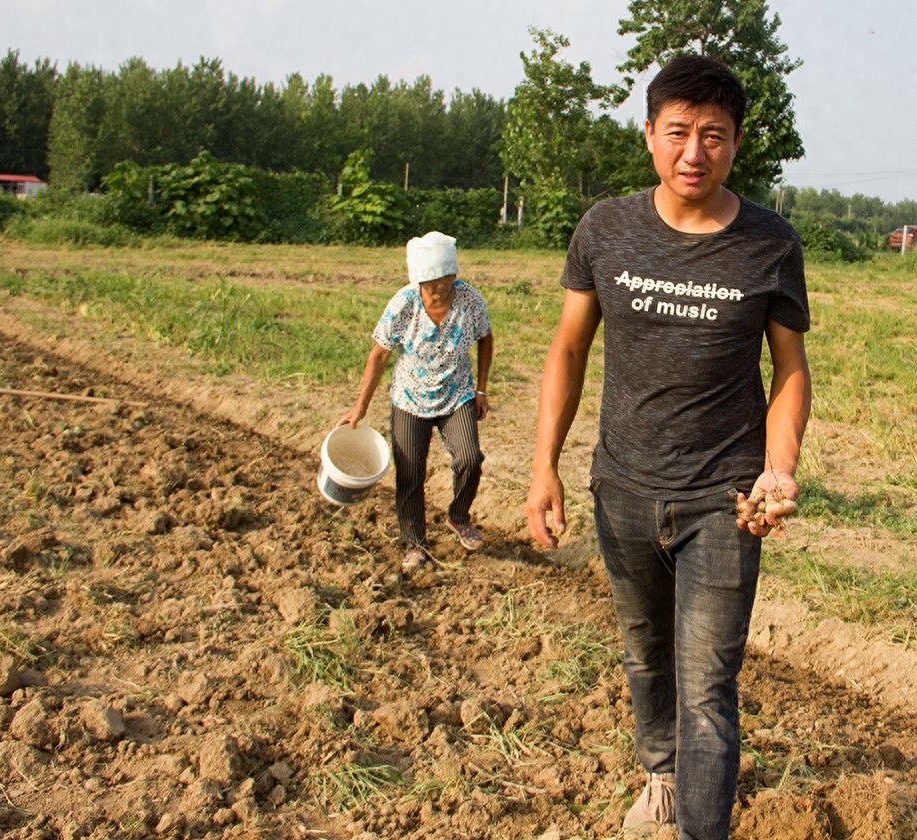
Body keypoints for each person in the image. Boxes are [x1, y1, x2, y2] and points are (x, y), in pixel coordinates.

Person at [524, 55, 812, 839]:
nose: (694, 152)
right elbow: (569, 349)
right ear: (650, 134)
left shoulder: (769, 244)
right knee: (647, 657)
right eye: (678, 132)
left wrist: (778, 467)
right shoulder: (605, 230)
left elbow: (789, 369)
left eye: (712, 136)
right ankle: (660, 777)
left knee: (707, 688)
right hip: (620, 489)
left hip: (725, 499)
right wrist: (543, 465)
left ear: (736, 143)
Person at [339, 230, 493, 571]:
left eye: (441, 282)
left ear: (451, 276)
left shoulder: (469, 300)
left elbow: (485, 338)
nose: (435, 291)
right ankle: (415, 543)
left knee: (470, 458)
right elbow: (378, 355)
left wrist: (481, 390)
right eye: (428, 284)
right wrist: (360, 406)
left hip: (457, 395)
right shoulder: (404, 303)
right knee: (409, 473)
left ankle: (458, 516)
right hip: (409, 399)